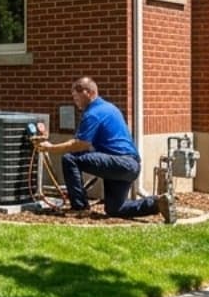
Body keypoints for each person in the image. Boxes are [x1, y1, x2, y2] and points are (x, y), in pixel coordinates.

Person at [32, 77, 172, 222]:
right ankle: (157, 203)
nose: (75, 101)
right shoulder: (110, 108)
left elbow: (80, 144)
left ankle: (79, 208)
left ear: (87, 92)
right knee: (115, 209)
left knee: (70, 158)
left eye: (75, 96)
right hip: (130, 166)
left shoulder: (93, 113)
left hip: (120, 163)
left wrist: (51, 148)